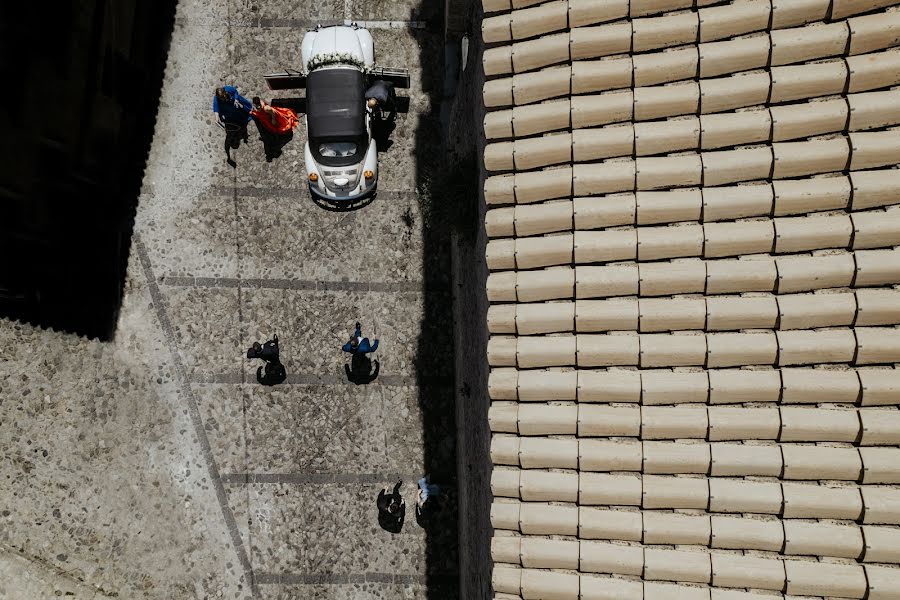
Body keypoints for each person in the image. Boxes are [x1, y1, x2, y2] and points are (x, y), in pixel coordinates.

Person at [250, 96, 299, 162]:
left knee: (276, 128)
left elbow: (273, 113)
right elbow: (258, 110)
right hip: (265, 118)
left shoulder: (266, 108)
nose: (256, 105)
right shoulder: (257, 105)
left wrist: (273, 120)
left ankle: (277, 137)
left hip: (271, 118)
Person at [213, 86, 253, 166]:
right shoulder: (216, 99)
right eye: (221, 97)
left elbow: (235, 92)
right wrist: (216, 118)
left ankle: (245, 133)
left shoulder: (228, 89)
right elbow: (216, 108)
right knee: (241, 125)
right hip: (227, 110)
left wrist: (236, 99)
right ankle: (245, 135)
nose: (222, 97)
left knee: (244, 119)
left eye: (223, 95)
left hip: (234, 105)